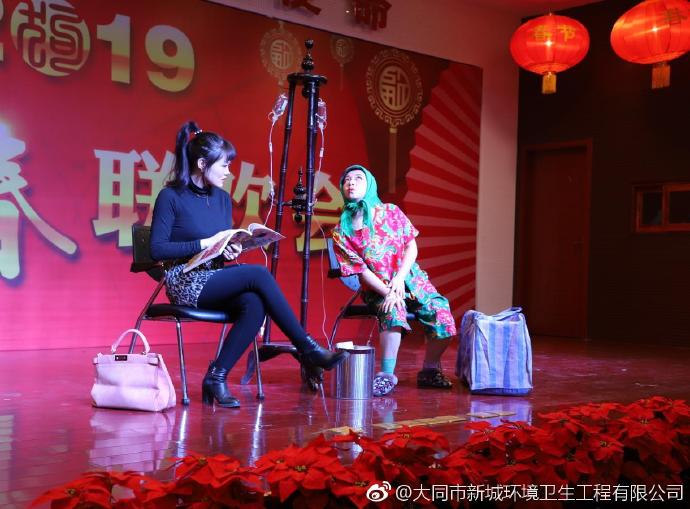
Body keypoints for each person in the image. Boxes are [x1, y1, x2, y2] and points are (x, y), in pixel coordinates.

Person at [150, 120, 348, 408]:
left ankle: (216, 377)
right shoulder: (171, 196)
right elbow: (157, 249)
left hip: (213, 274)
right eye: (224, 165)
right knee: (258, 274)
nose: (229, 172)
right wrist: (206, 243)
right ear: (202, 164)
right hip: (184, 279)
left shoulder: (221, 199)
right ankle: (308, 348)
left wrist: (228, 249)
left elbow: (218, 247)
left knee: (254, 303)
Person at [331, 165, 456, 397]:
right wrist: (388, 292)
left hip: (410, 279)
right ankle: (386, 374)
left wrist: (399, 279)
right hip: (377, 287)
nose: (351, 182)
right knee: (393, 310)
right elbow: (361, 271)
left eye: (358, 178)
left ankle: (430, 369)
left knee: (441, 312)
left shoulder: (390, 211)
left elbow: (411, 247)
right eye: (346, 179)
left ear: (370, 184)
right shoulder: (341, 231)